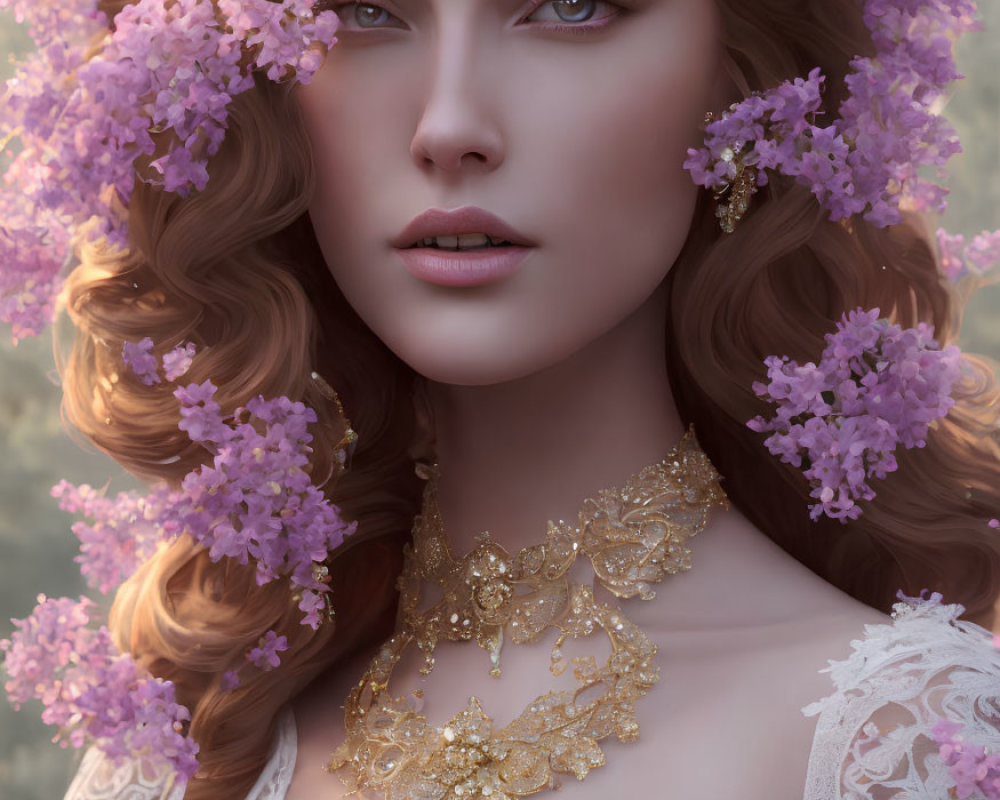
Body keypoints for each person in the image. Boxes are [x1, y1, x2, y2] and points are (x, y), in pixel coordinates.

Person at [4, 0, 999, 798]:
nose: (450, 127)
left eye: (569, 8)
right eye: (364, 11)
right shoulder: (184, 742)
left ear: (742, 81)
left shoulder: (905, 741)